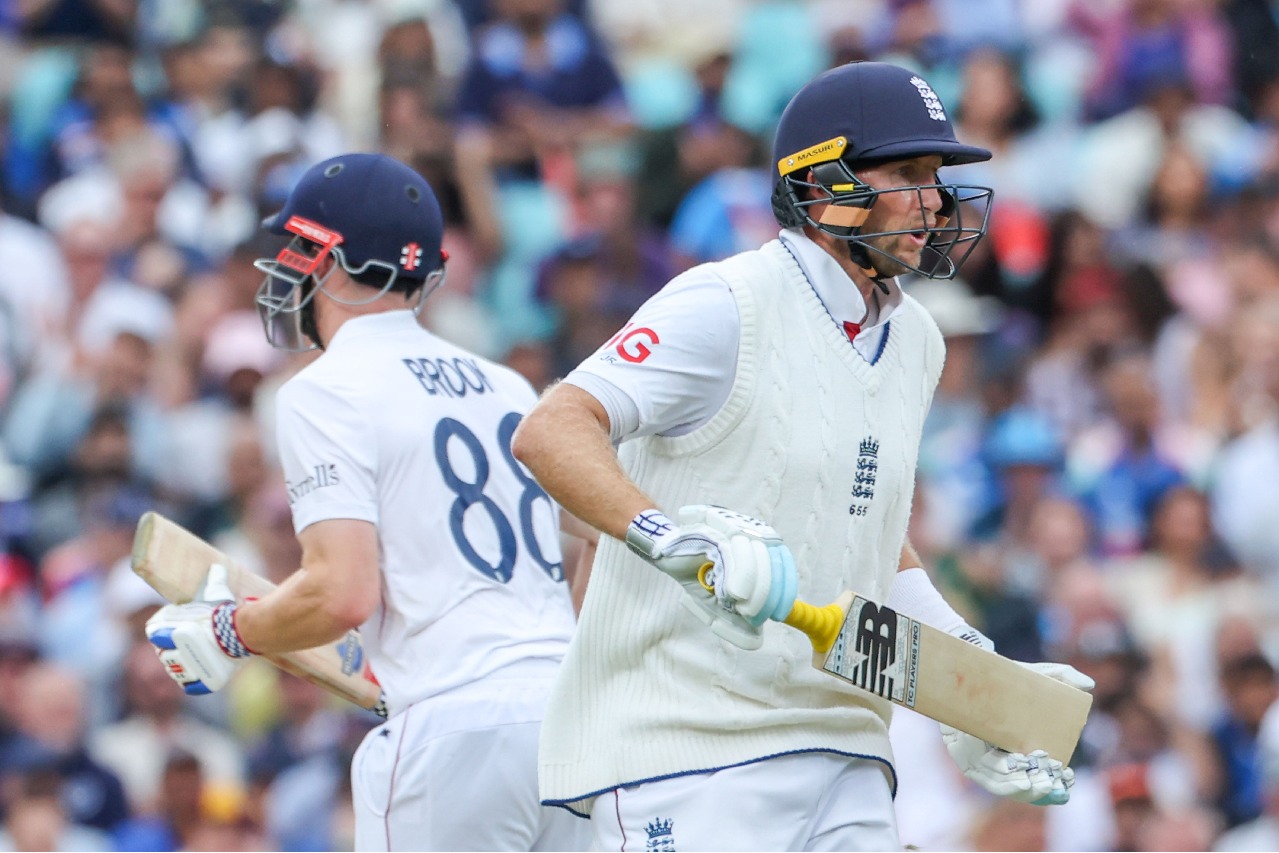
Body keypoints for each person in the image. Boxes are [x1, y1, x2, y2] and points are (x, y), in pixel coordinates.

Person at [512, 61, 1095, 851]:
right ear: (825, 186)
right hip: (685, 750)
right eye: (910, 173)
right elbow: (550, 429)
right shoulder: (725, 303)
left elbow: (871, 545)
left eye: (936, 177)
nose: (934, 199)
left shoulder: (916, 338)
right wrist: (669, 539)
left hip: (846, 749)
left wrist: (979, 686)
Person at [142, 153, 587, 851]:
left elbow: (342, 593)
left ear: (324, 256)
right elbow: (590, 536)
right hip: (571, 719)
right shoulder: (506, 385)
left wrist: (230, 632)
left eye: (294, 245)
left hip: (453, 729)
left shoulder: (325, 387)